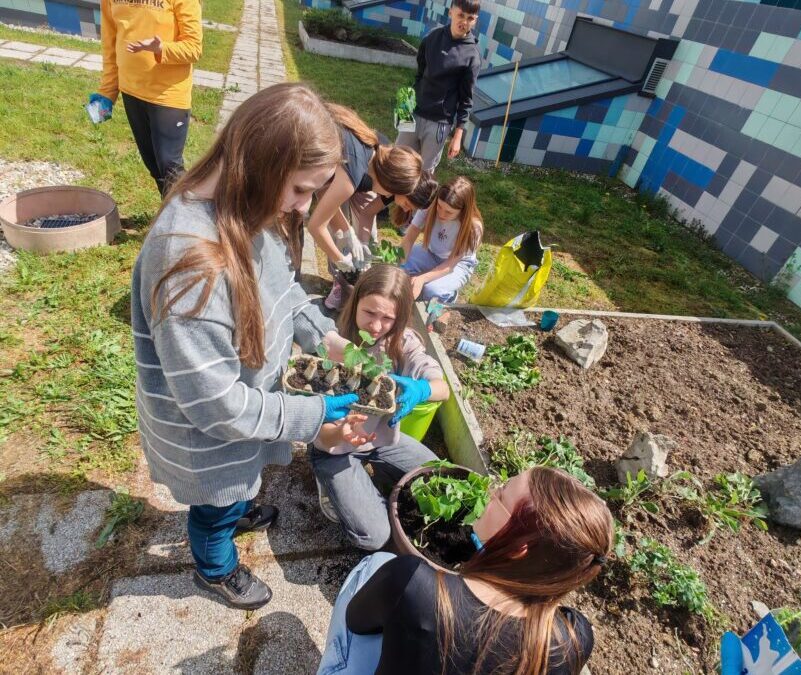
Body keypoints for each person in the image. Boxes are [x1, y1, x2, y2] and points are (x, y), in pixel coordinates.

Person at [131, 83, 375, 610]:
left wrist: (324, 336)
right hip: (212, 435)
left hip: (241, 421)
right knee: (213, 508)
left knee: (237, 487)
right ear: (261, 166)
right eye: (301, 190)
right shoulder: (190, 264)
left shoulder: (246, 213)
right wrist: (310, 413)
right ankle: (215, 566)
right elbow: (215, 405)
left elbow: (281, 288)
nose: (307, 207)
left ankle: (235, 504)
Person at [318, 467, 613, 675]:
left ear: (519, 549)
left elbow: (356, 622)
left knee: (375, 564)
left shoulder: (416, 585)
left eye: (502, 495)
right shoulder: (573, 638)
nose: (492, 490)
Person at [310, 264, 449, 550]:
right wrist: (342, 435)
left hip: (380, 441)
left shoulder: (403, 343)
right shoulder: (332, 344)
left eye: (387, 318)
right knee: (375, 537)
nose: (375, 326)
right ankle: (330, 482)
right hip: (334, 447)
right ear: (355, 301)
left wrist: (422, 389)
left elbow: (443, 387)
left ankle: (378, 473)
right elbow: (320, 433)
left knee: (439, 476)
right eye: (369, 313)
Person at [309, 104, 422, 310]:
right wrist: (341, 261)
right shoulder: (353, 176)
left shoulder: (369, 148)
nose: (386, 197)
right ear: (389, 183)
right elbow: (316, 226)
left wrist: (347, 231)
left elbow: (324, 192)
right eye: (391, 193)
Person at [90, 0, 202, 196]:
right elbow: (110, 44)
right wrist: (107, 92)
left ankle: (185, 220)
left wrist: (161, 49)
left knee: (169, 166)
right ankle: (169, 214)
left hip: (167, 95)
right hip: (131, 91)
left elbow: (193, 48)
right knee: (154, 166)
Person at [396, 0, 481, 174]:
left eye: (470, 18)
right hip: (412, 110)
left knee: (424, 173)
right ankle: (386, 199)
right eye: (460, 15)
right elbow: (419, 75)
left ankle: (414, 202)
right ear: (451, 12)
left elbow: (466, 100)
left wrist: (457, 137)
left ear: (475, 21)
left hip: (439, 123)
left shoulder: (472, 56)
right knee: (397, 162)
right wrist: (404, 107)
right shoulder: (432, 37)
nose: (464, 22)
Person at [401, 175, 483, 303]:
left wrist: (422, 279)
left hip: (458, 265)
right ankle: (428, 283)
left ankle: (449, 296)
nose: (441, 214)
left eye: (449, 212)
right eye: (439, 206)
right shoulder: (429, 206)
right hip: (431, 253)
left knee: (432, 290)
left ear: (463, 211)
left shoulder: (473, 228)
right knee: (399, 267)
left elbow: (450, 265)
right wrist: (401, 264)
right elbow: (409, 238)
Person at [391, 171, 439, 236]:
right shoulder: (386, 180)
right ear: (407, 188)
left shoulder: (395, 190)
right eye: (407, 204)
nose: (405, 210)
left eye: (411, 208)